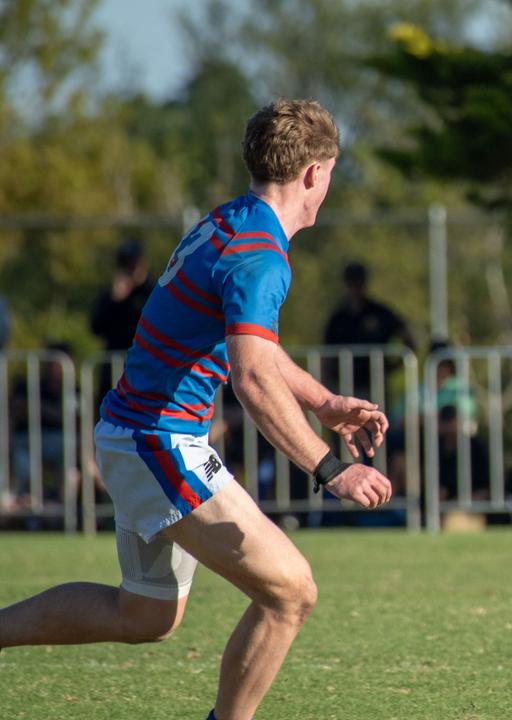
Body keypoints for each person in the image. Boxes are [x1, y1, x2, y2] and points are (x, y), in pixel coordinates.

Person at [0, 99, 393, 720]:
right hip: (159, 440)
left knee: (146, 614)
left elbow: (252, 349)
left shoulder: (231, 221)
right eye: (333, 173)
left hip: (137, 433)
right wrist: (329, 468)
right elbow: (252, 377)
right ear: (315, 173)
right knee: (290, 592)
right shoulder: (261, 255)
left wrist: (323, 402)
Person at [323, 261, 414, 396]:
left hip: (374, 385)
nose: (354, 288)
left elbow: (408, 340)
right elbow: (326, 354)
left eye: (357, 283)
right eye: (351, 283)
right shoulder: (338, 318)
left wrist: (391, 367)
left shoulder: (381, 313)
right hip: (342, 385)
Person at [91, 240, 156, 352]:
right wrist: (115, 300)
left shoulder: (153, 291)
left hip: (144, 357)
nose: (128, 270)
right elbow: (96, 327)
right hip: (115, 362)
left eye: (132, 265)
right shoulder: (111, 294)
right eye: (123, 264)